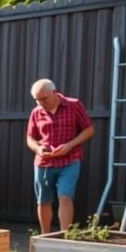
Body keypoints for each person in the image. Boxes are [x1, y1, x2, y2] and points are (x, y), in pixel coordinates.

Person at [25, 79, 95, 234]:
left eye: (44, 99)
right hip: (43, 163)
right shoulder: (36, 112)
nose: (41, 103)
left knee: (65, 196)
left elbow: (88, 130)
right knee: (43, 201)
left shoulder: (74, 105)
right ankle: (45, 236)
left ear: (54, 92)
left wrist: (69, 145)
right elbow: (30, 138)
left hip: (69, 160)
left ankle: (64, 235)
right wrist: (38, 148)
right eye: (37, 100)